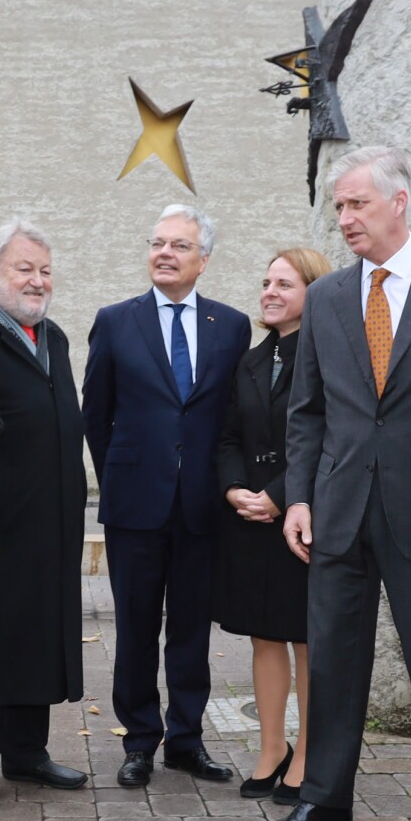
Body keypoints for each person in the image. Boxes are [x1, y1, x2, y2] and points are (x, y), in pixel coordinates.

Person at [260, 147, 411, 821]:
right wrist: (297, 498)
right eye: (338, 206)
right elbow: (308, 412)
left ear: (399, 202)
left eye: (357, 203)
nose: (346, 218)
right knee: (331, 661)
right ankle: (324, 800)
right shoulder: (328, 295)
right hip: (337, 510)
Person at [82, 205, 252, 789]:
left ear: (203, 259)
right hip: (135, 504)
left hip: (202, 506)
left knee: (190, 630)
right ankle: (138, 742)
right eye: (158, 242)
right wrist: (124, 474)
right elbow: (95, 414)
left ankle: (186, 740)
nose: (165, 253)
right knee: (133, 626)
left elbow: (232, 417)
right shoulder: (115, 321)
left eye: (180, 245)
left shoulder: (230, 327)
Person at [0, 220, 89, 807]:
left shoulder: (50, 335)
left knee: (36, 633)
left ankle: (27, 753)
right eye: (24, 269)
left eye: (45, 270)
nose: (37, 280)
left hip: (48, 519)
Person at [214, 247, 333, 801]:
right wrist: (235, 488)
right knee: (264, 636)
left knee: (306, 641)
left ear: (315, 291)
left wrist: (281, 497)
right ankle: (271, 748)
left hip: (303, 518)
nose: (270, 291)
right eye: (266, 282)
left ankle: (307, 754)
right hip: (250, 520)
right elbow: (230, 435)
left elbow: (331, 439)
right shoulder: (252, 360)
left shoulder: (330, 355)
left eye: (284, 283)